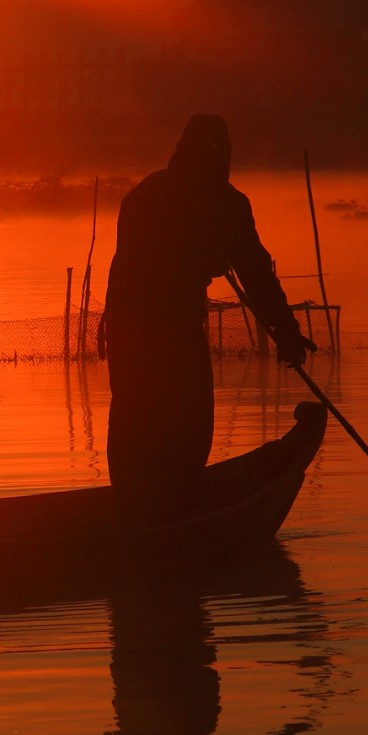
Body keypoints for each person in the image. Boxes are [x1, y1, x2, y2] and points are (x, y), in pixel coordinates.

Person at [102, 114, 314, 520]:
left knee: (136, 418)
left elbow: (253, 272)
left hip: (132, 327)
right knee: (180, 419)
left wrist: (285, 330)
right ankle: (159, 512)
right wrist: (285, 331)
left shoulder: (147, 195)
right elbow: (253, 274)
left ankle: (138, 509)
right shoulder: (222, 203)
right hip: (160, 328)